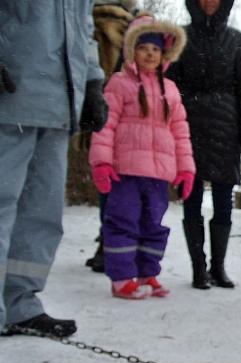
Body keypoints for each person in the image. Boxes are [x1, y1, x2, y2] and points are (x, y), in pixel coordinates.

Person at [0, 0, 108, 337]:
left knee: (41, 213)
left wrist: (92, 82)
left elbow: (83, 30)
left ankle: (20, 303)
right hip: (9, 94)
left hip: (59, 104)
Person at [88, 16, 195, 299]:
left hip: (158, 174)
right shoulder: (120, 83)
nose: (150, 54)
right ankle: (122, 279)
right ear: (132, 50)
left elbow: (180, 132)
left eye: (156, 49)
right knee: (123, 222)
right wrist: (101, 162)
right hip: (126, 171)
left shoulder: (170, 89)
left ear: (165, 54)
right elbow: (105, 125)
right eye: (144, 47)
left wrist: (186, 170)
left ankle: (148, 273)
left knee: (153, 225)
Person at [166, 0, 241, 290]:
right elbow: (169, 86)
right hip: (187, 127)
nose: (209, 2)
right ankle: (198, 269)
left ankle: (218, 268)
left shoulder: (236, 40)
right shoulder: (179, 37)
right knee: (191, 199)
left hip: (226, 129)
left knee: (223, 203)